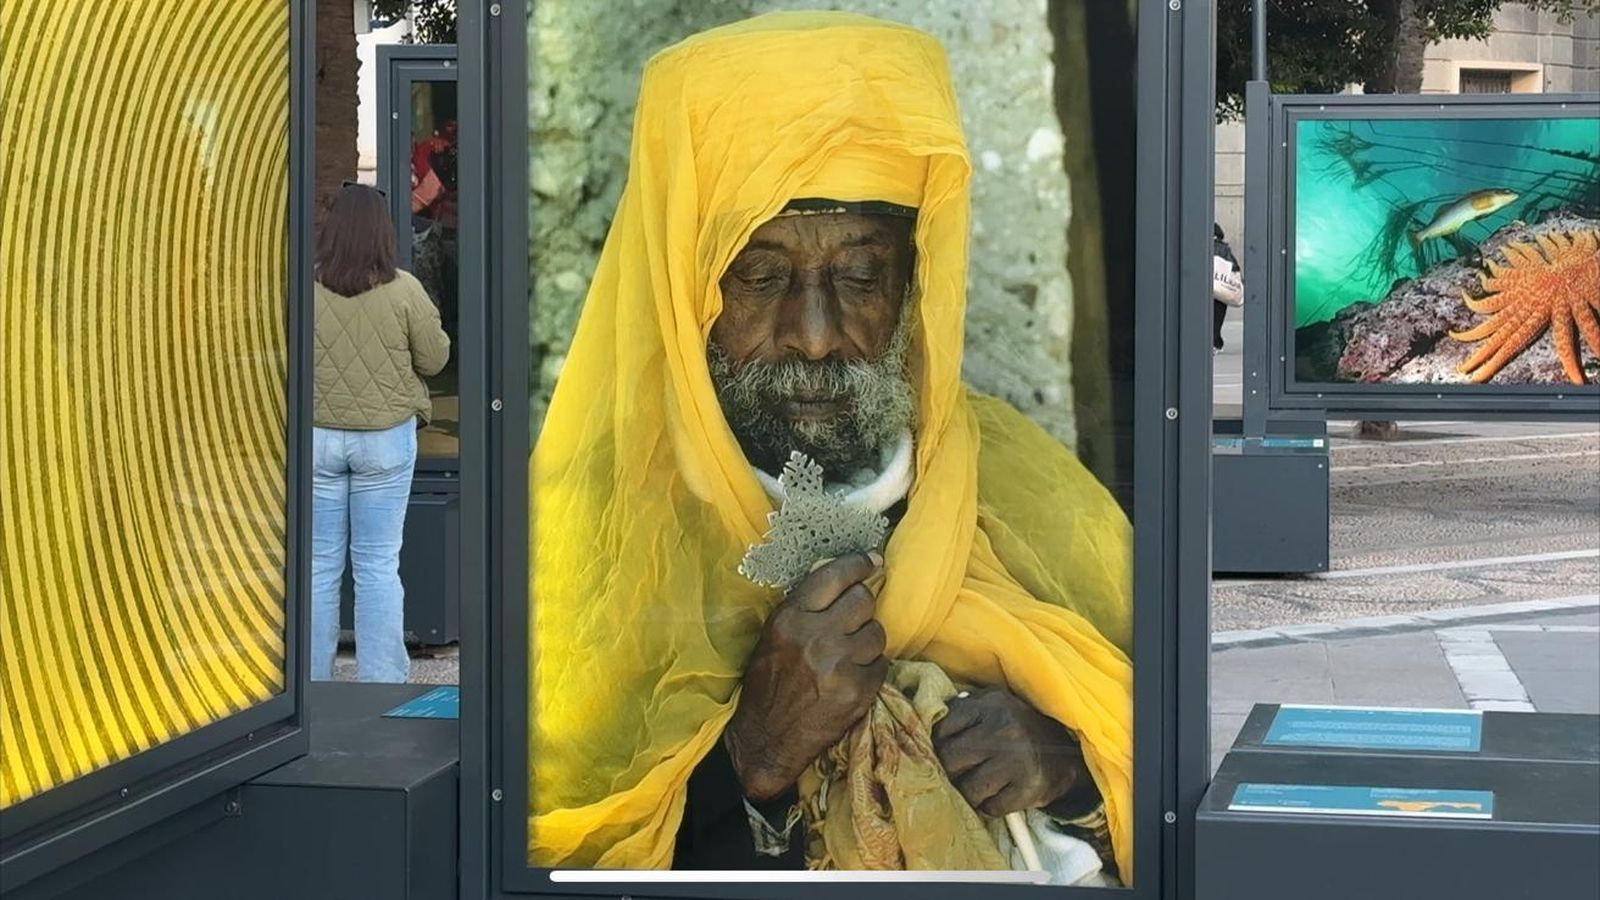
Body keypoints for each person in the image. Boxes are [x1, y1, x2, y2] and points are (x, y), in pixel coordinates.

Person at [529, 12, 1133, 886]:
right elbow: (543, 846)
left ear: (913, 283)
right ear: (685, 287)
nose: (815, 337)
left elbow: (1175, 800)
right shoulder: (584, 530)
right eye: (761, 275)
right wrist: (755, 758)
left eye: (859, 276)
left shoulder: (1023, 486)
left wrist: (1072, 768)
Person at [311, 185, 449, 683]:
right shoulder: (405, 289)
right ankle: (382, 683)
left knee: (319, 567)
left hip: (318, 439)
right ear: (383, 233)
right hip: (384, 439)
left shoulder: (306, 286)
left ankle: (312, 684)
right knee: (375, 567)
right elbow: (435, 359)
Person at [1213, 222, 1242, 353]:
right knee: (1217, 318)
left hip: (1203, 289)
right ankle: (1216, 343)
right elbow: (1235, 267)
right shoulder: (1223, 248)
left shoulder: (1199, 245)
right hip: (1220, 289)